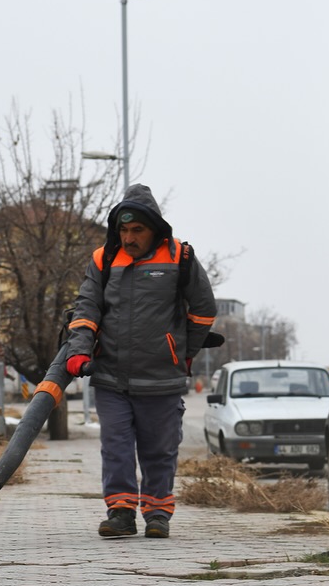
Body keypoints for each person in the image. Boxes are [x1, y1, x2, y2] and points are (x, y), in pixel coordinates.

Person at [63, 183, 217, 539]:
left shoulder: (180, 258)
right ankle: (120, 511)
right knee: (115, 446)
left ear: (155, 230)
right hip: (111, 375)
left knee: (159, 449)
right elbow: (87, 309)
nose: (129, 238)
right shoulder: (104, 259)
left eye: (137, 230)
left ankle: (158, 513)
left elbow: (205, 310)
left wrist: (183, 352)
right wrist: (79, 352)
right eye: (124, 230)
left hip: (162, 377)